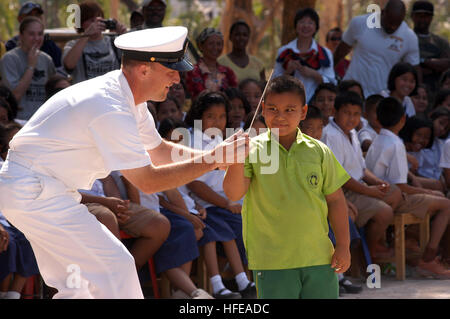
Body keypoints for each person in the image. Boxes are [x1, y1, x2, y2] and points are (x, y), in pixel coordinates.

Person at [0, 26, 249, 299]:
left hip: (39, 191)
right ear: (144, 71)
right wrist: (214, 159)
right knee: (115, 269)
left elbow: (159, 150)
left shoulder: (128, 98)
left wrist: (215, 159)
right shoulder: (111, 107)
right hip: (34, 192)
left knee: (79, 288)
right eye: (171, 71)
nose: (178, 79)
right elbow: (148, 181)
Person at [224, 75, 351, 299]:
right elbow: (234, 194)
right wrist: (235, 159)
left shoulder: (319, 151)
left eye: (289, 110)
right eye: (273, 109)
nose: (280, 116)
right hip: (272, 261)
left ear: (303, 112)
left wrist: (343, 245)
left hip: (319, 257)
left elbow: (336, 200)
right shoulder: (251, 150)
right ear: (262, 109)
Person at [365, 97, 450, 278]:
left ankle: (414, 248)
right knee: (446, 204)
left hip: (380, 195)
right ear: (403, 119)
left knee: (435, 199)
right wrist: (428, 192)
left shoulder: (378, 140)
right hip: (393, 197)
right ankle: (429, 258)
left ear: (378, 120)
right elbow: (402, 187)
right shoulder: (395, 144)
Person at [184, 90, 256, 299]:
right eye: (211, 116)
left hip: (226, 204)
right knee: (218, 231)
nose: (217, 121)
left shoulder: (222, 141)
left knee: (244, 228)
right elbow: (196, 185)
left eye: (222, 116)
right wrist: (226, 203)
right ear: (199, 117)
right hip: (203, 206)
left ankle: (244, 281)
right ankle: (218, 285)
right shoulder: (190, 140)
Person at [321, 91, 402, 260]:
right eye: (347, 113)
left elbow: (362, 170)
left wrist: (379, 183)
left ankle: (376, 241)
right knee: (385, 213)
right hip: (343, 190)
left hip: (359, 187)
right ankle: (369, 255)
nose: (351, 118)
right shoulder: (331, 134)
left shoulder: (352, 133)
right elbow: (338, 177)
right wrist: (369, 192)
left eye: (356, 114)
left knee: (394, 192)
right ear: (335, 112)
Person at [299, 106, 362, 295]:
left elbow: (332, 189)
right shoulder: (297, 152)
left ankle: (340, 275)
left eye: (319, 128)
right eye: (311, 128)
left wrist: (343, 202)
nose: (316, 133)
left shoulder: (321, 151)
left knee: (343, 221)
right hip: (306, 211)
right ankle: (337, 276)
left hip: (324, 205)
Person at [334, 0, 420, 98]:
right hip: (352, 90)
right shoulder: (360, 23)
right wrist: (329, 75)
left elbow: (414, 70)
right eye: (390, 22)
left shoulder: (409, 37)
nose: (392, 27)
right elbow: (340, 52)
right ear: (383, 12)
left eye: (397, 24)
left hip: (381, 96)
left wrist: (415, 93)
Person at [0, 122, 39, 299]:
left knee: (33, 236)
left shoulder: (28, 166)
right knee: (8, 242)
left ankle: (13, 295)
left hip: (18, 218)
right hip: (3, 222)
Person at [274, 8, 336, 103]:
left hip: (315, 106)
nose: (306, 26)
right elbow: (273, 83)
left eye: (310, 23)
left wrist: (313, 74)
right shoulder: (284, 51)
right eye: (302, 22)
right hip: (288, 104)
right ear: (296, 26)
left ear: (316, 27)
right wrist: (287, 72)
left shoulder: (325, 53)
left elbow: (332, 84)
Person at [0, 17, 56, 121]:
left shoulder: (47, 60)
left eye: (40, 34)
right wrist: (31, 66)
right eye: (31, 34)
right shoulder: (9, 59)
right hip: (19, 120)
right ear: (21, 36)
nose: (36, 38)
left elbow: (53, 93)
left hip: (43, 120)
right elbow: (15, 97)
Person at [62, 1, 128, 84]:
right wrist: (86, 35)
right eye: (91, 20)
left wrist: (125, 36)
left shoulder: (114, 42)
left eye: (99, 18)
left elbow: (134, 62)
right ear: (81, 23)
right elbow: (69, 65)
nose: (96, 22)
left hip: (111, 93)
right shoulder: (72, 45)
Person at [184, 28, 238, 99]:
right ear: (201, 46)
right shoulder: (193, 71)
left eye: (219, 44)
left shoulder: (228, 72)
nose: (215, 47)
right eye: (211, 43)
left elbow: (235, 95)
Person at [5, 2, 62, 69]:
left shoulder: (49, 44)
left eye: (37, 15)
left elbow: (59, 70)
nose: (34, 18)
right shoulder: (11, 45)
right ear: (19, 19)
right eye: (29, 15)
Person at [411, 1, 450, 94]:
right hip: (411, 92)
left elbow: (446, 64)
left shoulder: (441, 43)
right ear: (412, 16)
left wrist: (421, 62)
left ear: (431, 18)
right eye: (419, 15)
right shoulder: (406, 39)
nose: (422, 19)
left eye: (426, 16)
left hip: (435, 93)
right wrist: (433, 65)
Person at [400, 116, 445, 193]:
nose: (421, 140)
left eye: (426, 137)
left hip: (408, 182)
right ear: (410, 132)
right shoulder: (399, 144)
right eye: (418, 135)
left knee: (438, 185)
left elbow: (414, 174)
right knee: (437, 185)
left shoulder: (419, 153)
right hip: (396, 182)